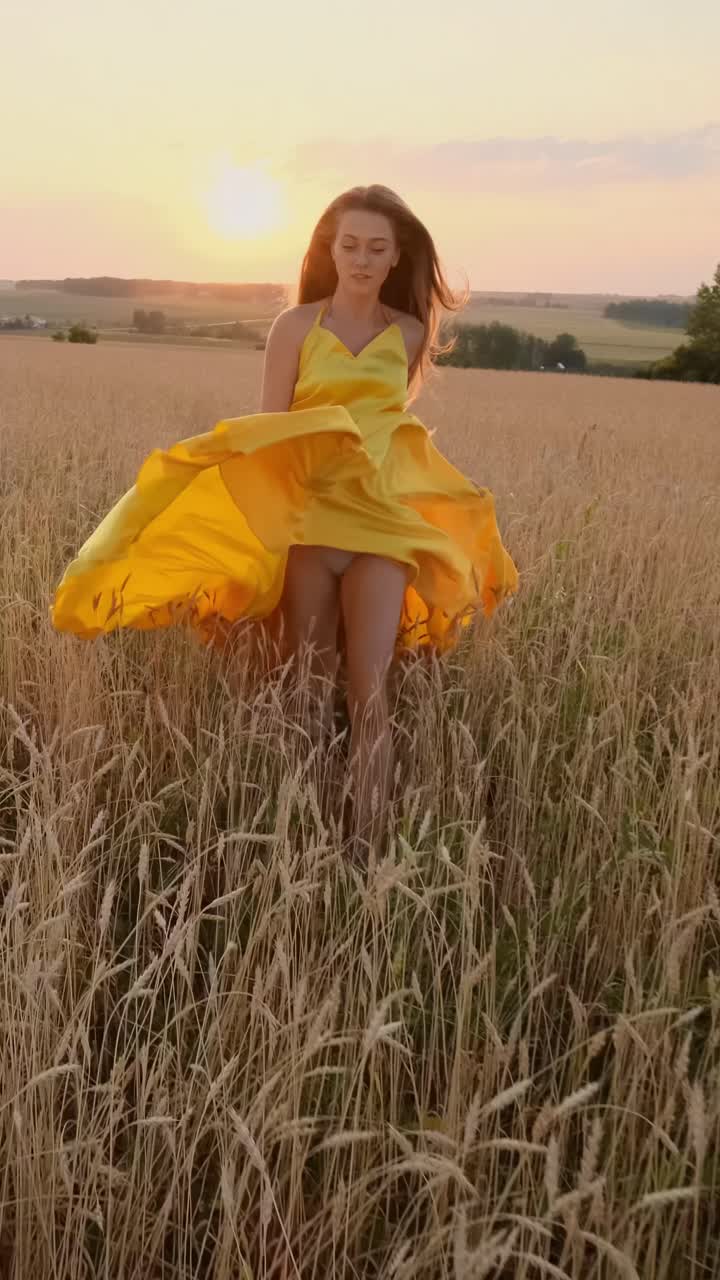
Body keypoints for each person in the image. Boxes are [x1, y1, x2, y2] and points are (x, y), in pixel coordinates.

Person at [51, 184, 519, 856]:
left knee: (369, 692)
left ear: (397, 256)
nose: (361, 259)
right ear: (329, 250)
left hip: (381, 528)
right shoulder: (295, 327)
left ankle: (365, 856)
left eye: (376, 248)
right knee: (304, 689)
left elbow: (390, 431)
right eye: (349, 245)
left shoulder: (409, 333)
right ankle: (299, 844)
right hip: (309, 527)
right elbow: (269, 434)